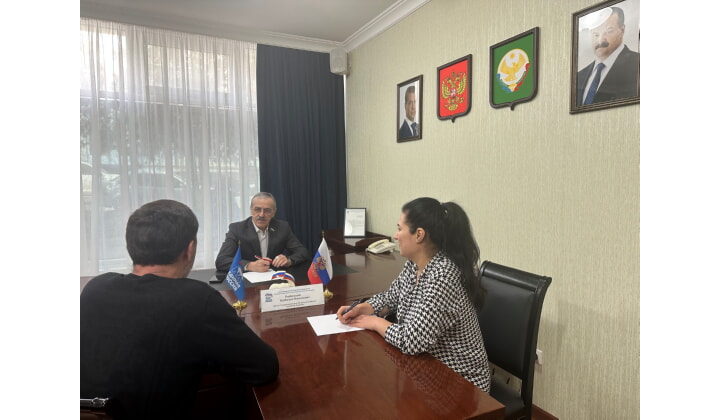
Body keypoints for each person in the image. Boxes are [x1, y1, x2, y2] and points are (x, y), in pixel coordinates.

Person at [81, 200, 279, 419]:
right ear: (190, 249)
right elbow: (264, 368)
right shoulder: (197, 299)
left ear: (130, 246)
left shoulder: (95, 288)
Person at [337, 197, 491, 391]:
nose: (395, 236)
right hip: (427, 367)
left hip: (461, 382)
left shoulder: (444, 275)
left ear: (419, 235)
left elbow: (412, 341)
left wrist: (375, 322)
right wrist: (364, 308)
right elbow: (392, 296)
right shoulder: (415, 264)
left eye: (400, 229)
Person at [215, 192, 310, 273]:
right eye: (257, 209)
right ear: (251, 210)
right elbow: (221, 260)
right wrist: (249, 265)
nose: (261, 214)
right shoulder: (237, 229)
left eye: (267, 211)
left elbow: (302, 252)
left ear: (274, 212)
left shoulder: (282, 227)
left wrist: (288, 260)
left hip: (274, 279)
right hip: (247, 281)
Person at [576, 6, 640, 106]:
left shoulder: (638, 64)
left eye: (609, 31)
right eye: (596, 34)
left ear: (622, 30)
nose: (601, 40)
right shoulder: (579, 76)